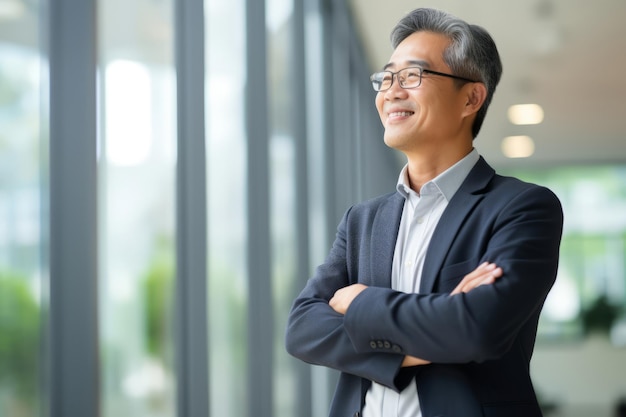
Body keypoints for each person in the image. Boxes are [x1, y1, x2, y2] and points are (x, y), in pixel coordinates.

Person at [285, 7, 563, 417]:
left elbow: (477, 330)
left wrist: (361, 302)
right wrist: (436, 328)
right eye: (386, 77)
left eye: (413, 76)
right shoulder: (362, 220)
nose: (391, 92)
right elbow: (303, 329)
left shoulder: (523, 208)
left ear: (471, 97)